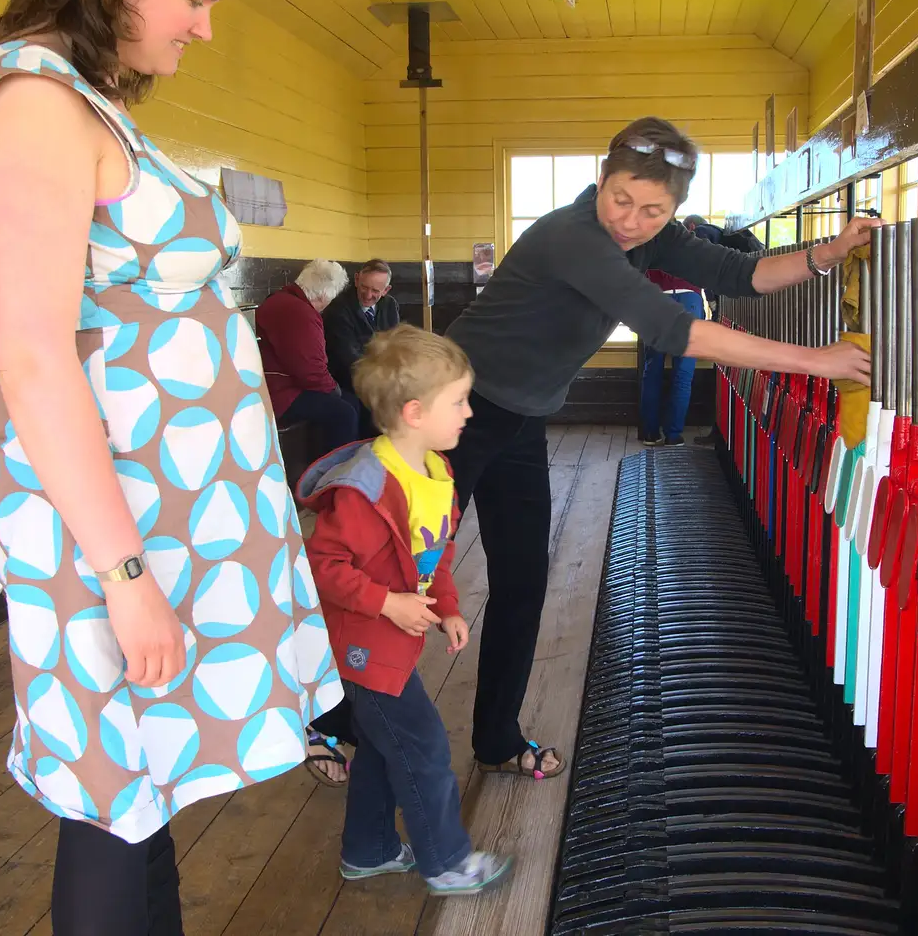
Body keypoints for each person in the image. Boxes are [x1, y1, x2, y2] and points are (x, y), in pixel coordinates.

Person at [0, 0, 340, 933]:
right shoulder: (32, 103)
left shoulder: (78, 101)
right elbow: (32, 354)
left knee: (143, 781)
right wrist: (123, 576)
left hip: (163, 503)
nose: (203, 30)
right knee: (114, 797)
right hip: (114, 516)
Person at [444, 116, 877, 780]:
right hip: (451, 411)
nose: (631, 221)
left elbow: (740, 272)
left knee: (523, 582)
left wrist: (827, 253)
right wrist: (815, 361)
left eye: (653, 210)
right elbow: (677, 331)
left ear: (673, 207)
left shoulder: (652, 234)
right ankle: (335, 723)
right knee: (400, 572)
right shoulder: (574, 237)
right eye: (621, 199)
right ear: (600, 179)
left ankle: (497, 737)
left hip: (520, 420)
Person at [298, 325, 513, 895]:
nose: (469, 412)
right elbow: (322, 566)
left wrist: (445, 606)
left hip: (392, 642)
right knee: (423, 751)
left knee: (381, 748)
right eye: (459, 401)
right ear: (415, 412)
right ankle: (446, 862)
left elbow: (433, 550)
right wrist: (387, 603)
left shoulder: (435, 473)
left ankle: (368, 851)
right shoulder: (366, 489)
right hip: (364, 646)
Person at [258, 259, 364, 456]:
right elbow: (310, 370)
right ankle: (333, 473)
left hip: (274, 384)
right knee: (345, 413)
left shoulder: (281, 299)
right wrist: (333, 389)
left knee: (350, 402)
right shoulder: (300, 312)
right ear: (325, 295)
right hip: (282, 392)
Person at [639, 221, 706, 448]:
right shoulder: (693, 245)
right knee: (683, 375)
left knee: (653, 370)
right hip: (690, 301)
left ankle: (649, 433)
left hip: (656, 300)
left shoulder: (649, 243)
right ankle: (673, 435)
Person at [324, 259, 401, 395]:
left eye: (375, 290)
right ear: (356, 279)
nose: (368, 295)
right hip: (351, 379)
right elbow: (347, 356)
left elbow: (395, 341)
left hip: (384, 375)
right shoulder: (338, 308)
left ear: (386, 290)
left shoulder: (390, 305)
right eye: (364, 287)